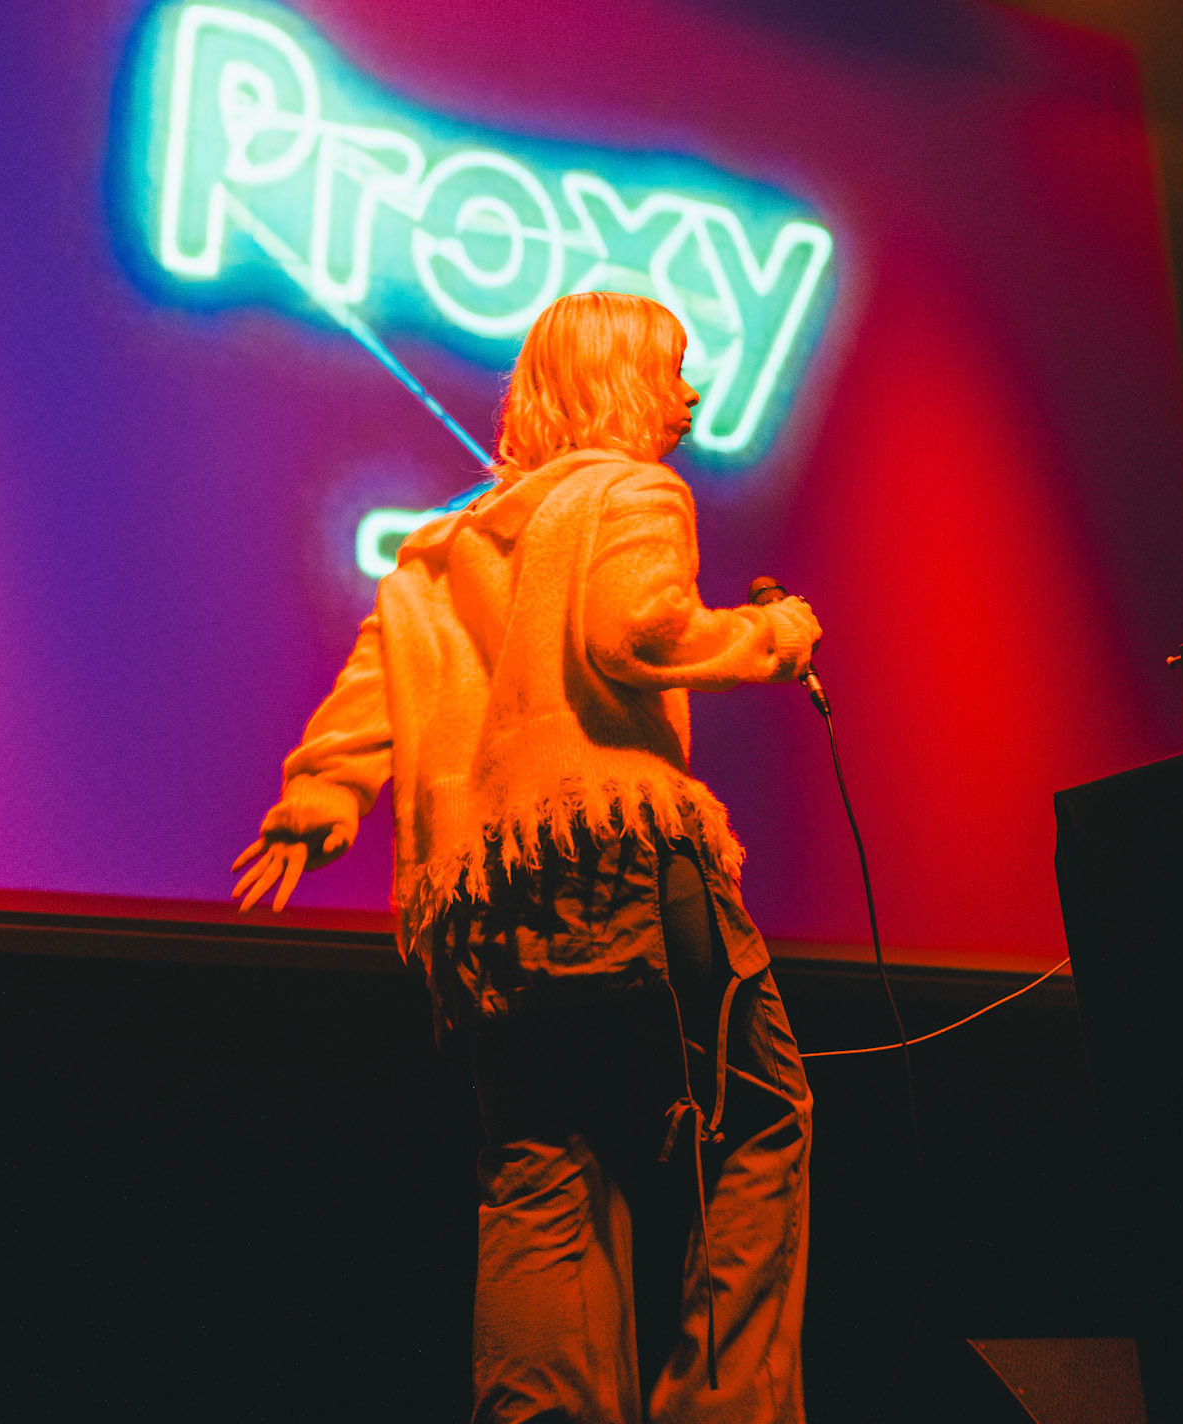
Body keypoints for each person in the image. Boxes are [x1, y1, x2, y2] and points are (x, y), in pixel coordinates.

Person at [233, 292, 821, 1421]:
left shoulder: (438, 548)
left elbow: (369, 700)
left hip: (484, 908)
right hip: (619, 860)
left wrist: (317, 798)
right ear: (619, 380)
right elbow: (637, 631)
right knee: (756, 1121)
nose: (691, 395)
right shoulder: (630, 490)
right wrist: (773, 634)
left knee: (541, 1170)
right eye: (673, 370)